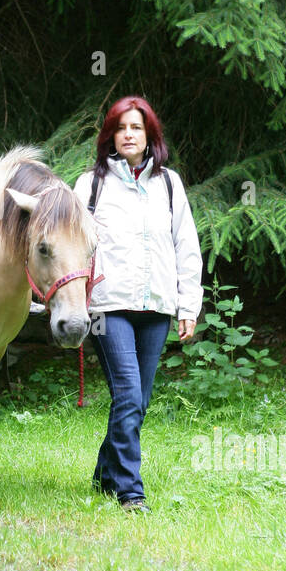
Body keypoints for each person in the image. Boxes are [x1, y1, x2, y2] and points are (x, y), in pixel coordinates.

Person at [73, 95, 203, 512]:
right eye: (121, 127)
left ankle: (104, 473)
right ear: (110, 135)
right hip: (108, 307)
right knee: (128, 393)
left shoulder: (169, 184)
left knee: (138, 400)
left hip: (157, 305)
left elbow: (187, 245)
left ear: (150, 136)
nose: (128, 135)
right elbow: (71, 247)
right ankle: (130, 491)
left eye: (137, 128)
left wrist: (188, 306)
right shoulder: (90, 184)